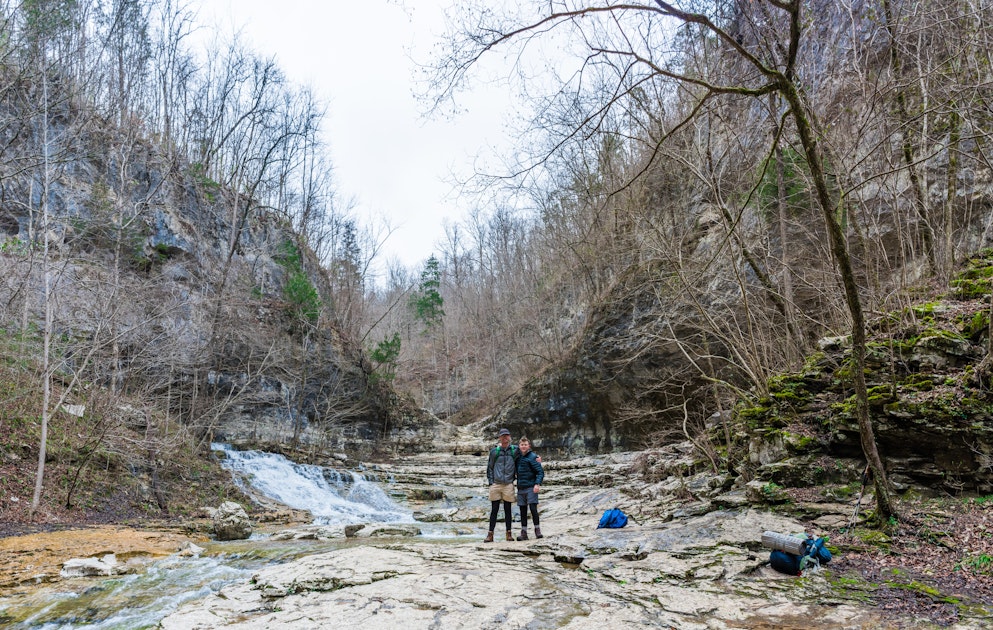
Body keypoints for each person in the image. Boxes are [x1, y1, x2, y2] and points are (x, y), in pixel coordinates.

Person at [484, 427, 519, 542]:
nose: (505, 438)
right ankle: (490, 534)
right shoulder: (495, 452)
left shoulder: (515, 450)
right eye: (503, 436)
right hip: (496, 484)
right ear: (499, 437)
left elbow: (526, 454)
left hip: (508, 484)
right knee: (494, 509)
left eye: (506, 435)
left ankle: (509, 534)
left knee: (508, 509)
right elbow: (490, 467)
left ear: (509, 437)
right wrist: (491, 482)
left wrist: (536, 458)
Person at [515, 436, 545, 540]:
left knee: (533, 508)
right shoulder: (517, 456)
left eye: (525, 445)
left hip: (531, 487)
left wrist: (537, 484)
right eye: (521, 445)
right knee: (522, 510)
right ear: (519, 446)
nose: (523, 446)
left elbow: (540, 472)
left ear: (529, 446)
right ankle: (524, 533)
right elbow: (509, 447)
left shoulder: (532, 457)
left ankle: (537, 530)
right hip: (520, 488)